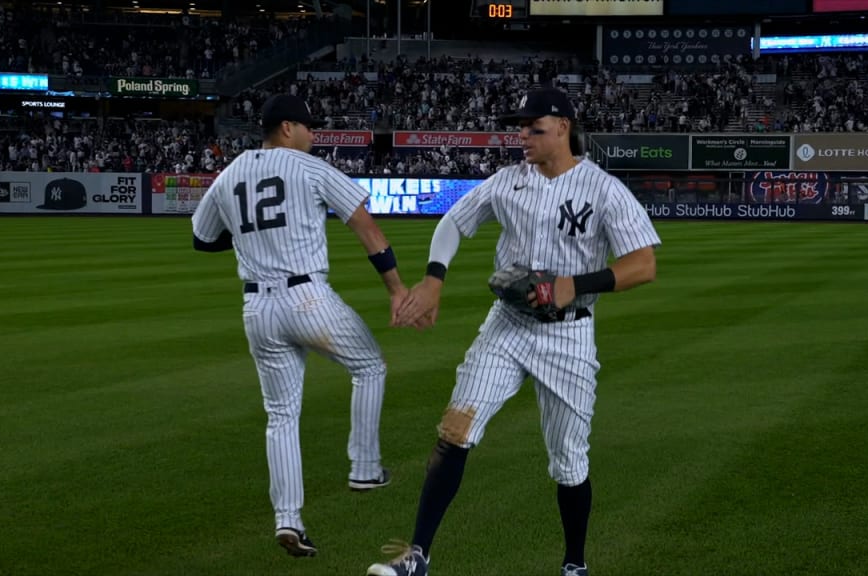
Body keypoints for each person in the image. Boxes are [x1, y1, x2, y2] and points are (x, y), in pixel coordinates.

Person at [365, 88, 661, 576]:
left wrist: (575, 284)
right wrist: (434, 279)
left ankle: (574, 564)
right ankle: (417, 556)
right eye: (520, 127)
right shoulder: (507, 181)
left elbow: (643, 264)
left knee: (569, 461)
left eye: (534, 128)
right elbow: (454, 223)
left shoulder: (603, 189)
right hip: (507, 325)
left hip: (569, 335)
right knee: (454, 430)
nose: (522, 135)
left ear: (563, 128)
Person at [191, 93, 407, 558]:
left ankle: (288, 519)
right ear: (287, 128)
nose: (314, 135)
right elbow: (368, 230)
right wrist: (395, 289)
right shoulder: (308, 168)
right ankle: (365, 467)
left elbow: (202, 240)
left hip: (257, 310)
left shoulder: (229, 173)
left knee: (281, 416)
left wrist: (253, 236)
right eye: (309, 127)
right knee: (369, 366)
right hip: (307, 298)